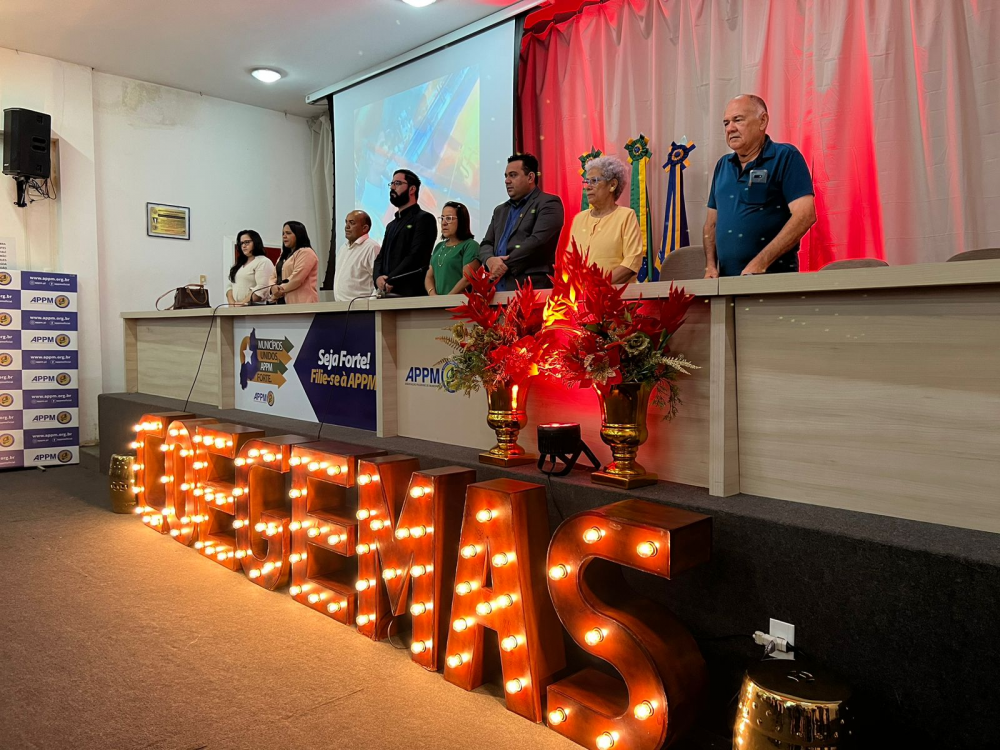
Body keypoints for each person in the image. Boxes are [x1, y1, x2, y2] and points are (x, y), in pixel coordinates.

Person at [703, 94, 816, 278]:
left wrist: (760, 263)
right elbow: (711, 224)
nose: (730, 128)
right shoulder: (722, 166)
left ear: (762, 121)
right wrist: (710, 266)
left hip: (773, 281)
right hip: (726, 285)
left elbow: (805, 215)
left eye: (738, 120)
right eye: (726, 123)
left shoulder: (786, 157)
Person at [479, 153, 564, 290]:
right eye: (506, 176)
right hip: (496, 289)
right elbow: (486, 243)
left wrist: (503, 265)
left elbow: (537, 241)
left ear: (530, 177)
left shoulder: (548, 203)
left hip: (530, 288)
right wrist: (490, 260)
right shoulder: (500, 210)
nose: (507, 181)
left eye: (513, 175)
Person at [568, 155, 642, 283]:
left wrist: (599, 285)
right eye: (587, 182)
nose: (588, 187)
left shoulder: (626, 216)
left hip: (615, 292)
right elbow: (570, 262)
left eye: (594, 181)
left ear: (612, 185)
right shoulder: (579, 219)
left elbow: (631, 263)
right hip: (581, 293)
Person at [372, 169, 437, 297]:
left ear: (412, 189)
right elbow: (380, 257)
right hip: (387, 292)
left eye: (397, 183)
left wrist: (390, 279)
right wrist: (378, 278)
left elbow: (416, 257)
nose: (392, 187)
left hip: (410, 293)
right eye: (391, 183)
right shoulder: (391, 225)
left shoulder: (424, 219)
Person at [425, 202, 480, 295]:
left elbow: (467, 279)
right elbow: (429, 276)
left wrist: (448, 299)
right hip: (438, 302)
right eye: (442, 218)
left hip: (459, 301)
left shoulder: (470, 245)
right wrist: (433, 296)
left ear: (461, 221)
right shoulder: (439, 246)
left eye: (449, 218)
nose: (444, 223)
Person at [333, 210, 380, 302]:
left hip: (362, 307)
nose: (346, 226)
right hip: (341, 307)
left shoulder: (371, 247)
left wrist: (371, 304)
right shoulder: (343, 248)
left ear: (365, 228)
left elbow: (379, 281)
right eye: (346, 222)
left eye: (352, 223)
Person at [268, 221, 319, 304]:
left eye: (288, 233)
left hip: (303, 303)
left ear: (298, 235)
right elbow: (273, 276)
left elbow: (297, 278)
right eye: (283, 233)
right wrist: (272, 287)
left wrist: (279, 290)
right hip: (283, 302)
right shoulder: (283, 255)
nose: (284, 236)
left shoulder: (307, 252)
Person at [227, 230, 275, 306]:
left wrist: (242, 303)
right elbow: (230, 285)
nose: (243, 246)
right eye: (241, 243)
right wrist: (232, 303)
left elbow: (262, 288)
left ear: (255, 242)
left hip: (255, 307)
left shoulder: (263, 261)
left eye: (247, 242)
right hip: (236, 307)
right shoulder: (239, 264)